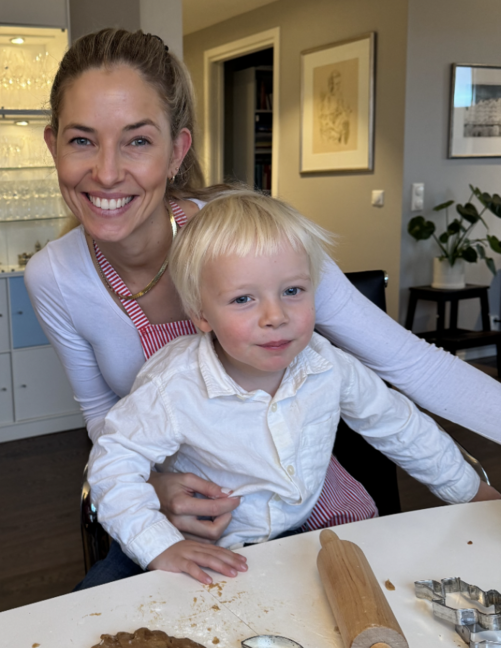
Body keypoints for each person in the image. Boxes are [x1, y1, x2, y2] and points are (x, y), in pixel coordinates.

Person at [24, 28, 501, 585]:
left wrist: (473, 490)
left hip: (308, 501)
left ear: (177, 150)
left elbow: (411, 371)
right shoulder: (53, 278)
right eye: (83, 140)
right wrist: (153, 488)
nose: (106, 172)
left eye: (137, 141)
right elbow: (104, 419)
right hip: (194, 524)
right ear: (53, 146)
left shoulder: (263, 243)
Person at [88, 191, 497, 584]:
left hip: (291, 537)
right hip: (189, 542)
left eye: (292, 291)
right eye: (243, 299)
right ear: (201, 314)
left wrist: (471, 491)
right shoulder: (172, 385)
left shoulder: (328, 364)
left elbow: (399, 426)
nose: (276, 316)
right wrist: (160, 546)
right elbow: (112, 463)